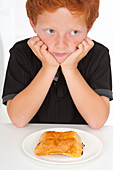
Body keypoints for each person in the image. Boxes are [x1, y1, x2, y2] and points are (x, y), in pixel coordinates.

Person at [2, 0, 113, 129]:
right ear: (33, 24)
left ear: (88, 27)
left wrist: (70, 69)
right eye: (50, 31)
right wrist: (48, 68)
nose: (61, 45)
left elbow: (97, 121)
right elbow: (19, 119)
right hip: (33, 142)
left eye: (74, 32)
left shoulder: (98, 55)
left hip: (81, 143)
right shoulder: (21, 53)